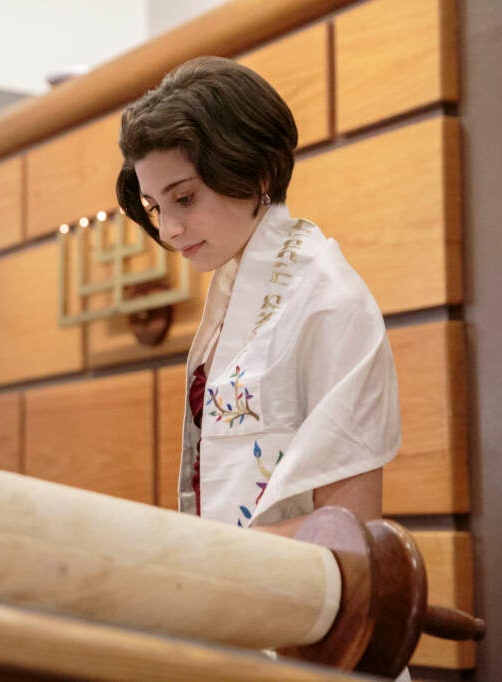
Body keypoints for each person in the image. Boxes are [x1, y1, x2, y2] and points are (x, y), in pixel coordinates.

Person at [116, 57, 401, 536]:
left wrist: (200, 554)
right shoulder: (232, 290)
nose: (168, 229)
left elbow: (350, 533)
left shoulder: (330, 302)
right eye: (156, 207)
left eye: (184, 198)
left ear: (259, 175)